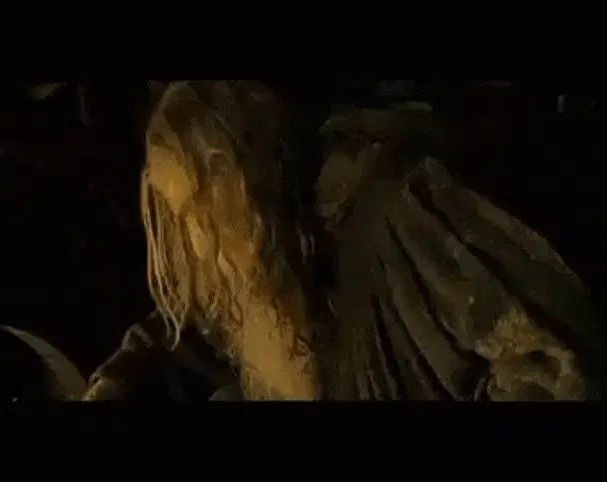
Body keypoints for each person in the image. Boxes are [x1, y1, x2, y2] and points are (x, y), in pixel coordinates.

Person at [83, 81, 606, 401]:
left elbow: (553, 367)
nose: (198, 245)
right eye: (181, 219)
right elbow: (188, 331)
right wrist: (122, 379)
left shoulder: (398, 217)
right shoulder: (248, 264)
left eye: (201, 212)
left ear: (248, 181)